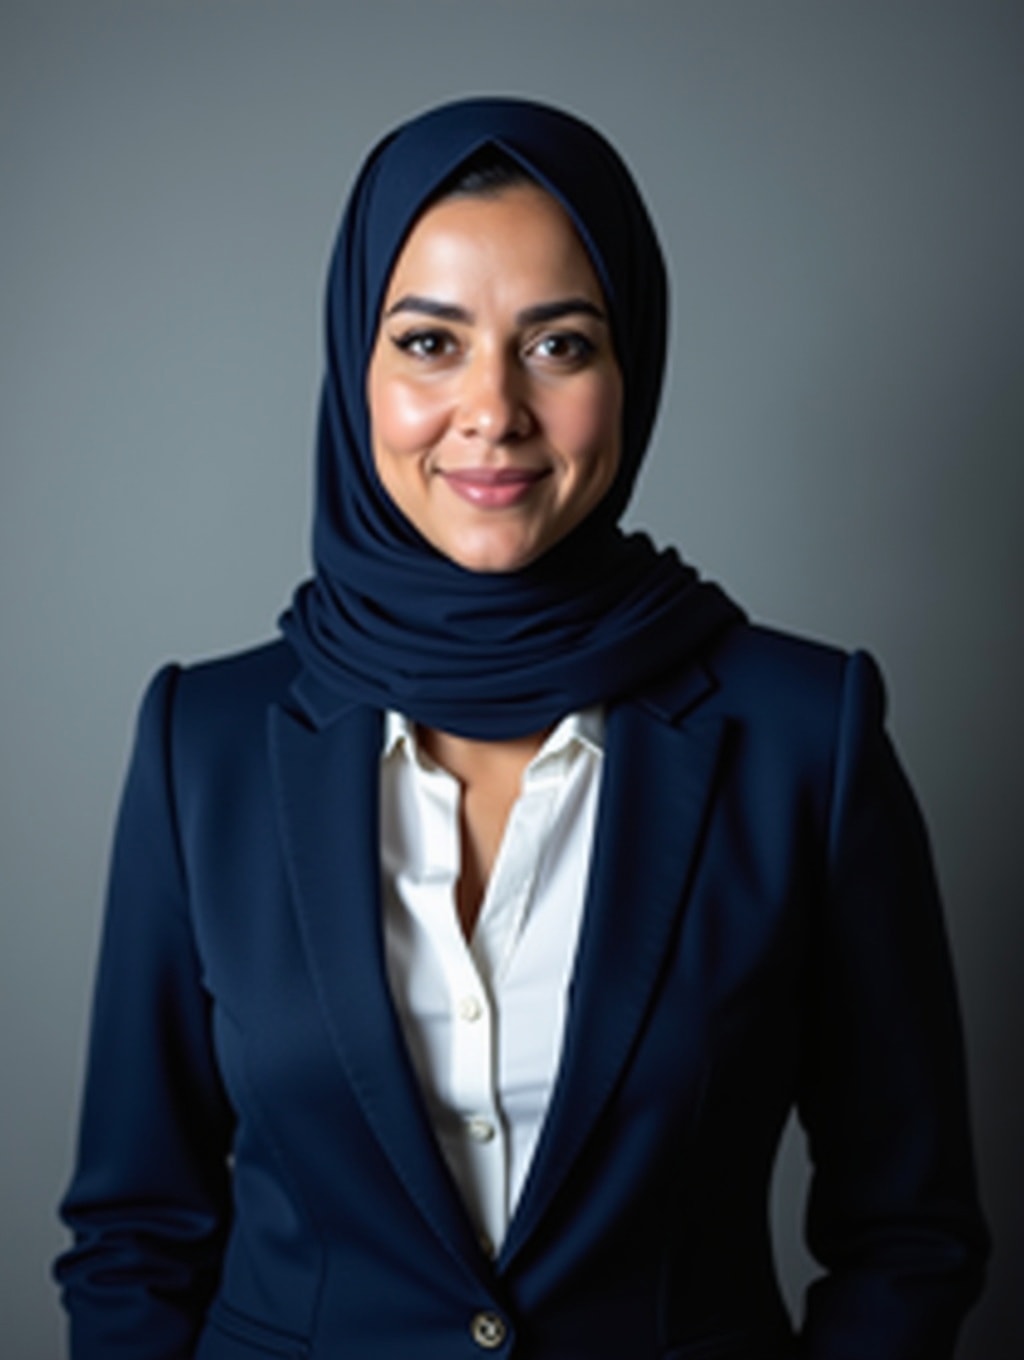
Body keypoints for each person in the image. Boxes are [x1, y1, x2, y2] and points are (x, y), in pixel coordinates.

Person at [54, 97, 988, 1359]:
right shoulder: (203, 743)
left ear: (631, 368)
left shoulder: (800, 736)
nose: (491, 409)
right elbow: (133, 1234)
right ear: (356, 369)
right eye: (429, 343)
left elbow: (906, 1233)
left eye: (557, 345)